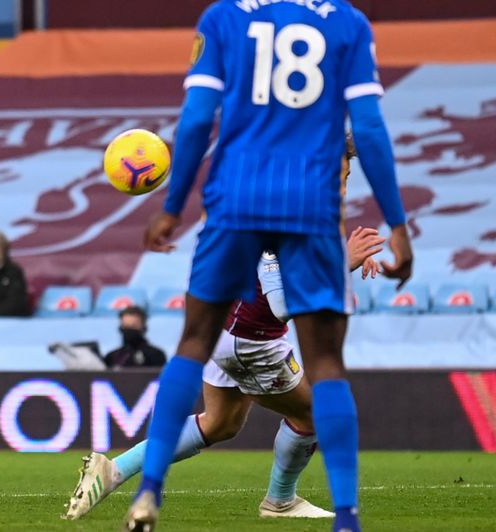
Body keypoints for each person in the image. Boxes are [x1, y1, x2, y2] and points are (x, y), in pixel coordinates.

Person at [125, 3, 413, 531]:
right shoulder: (346, 22)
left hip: (236, 197)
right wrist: (397, 221)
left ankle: (148, 491)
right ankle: (346, 517)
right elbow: (367, 127)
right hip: (308, 207)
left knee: (191, 345)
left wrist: (171, 207)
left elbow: (195, 119)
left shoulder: (223, 18)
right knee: (326, 364)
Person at [67, 222, 385, 520]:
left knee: (220, 423)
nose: (341, 182)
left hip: (224, 325)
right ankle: (281, 501)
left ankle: (113, 470)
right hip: (252, 339)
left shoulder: (283, 210)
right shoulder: (283, 214)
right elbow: (280, 304)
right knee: (311, 415)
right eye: (342, 172)